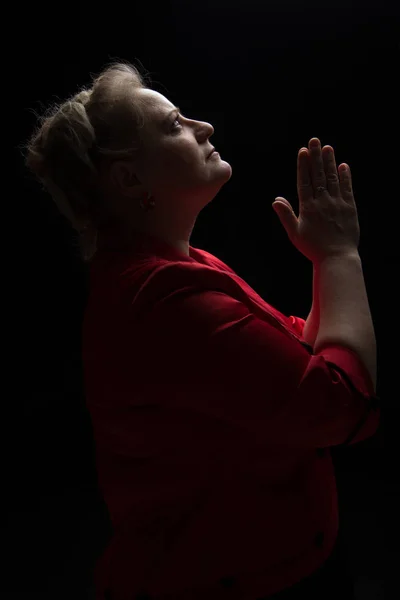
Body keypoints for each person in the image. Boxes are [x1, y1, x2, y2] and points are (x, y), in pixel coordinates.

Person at [25, 62, 380, 600]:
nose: (203, 127)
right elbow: (343, 406)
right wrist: (339, 255)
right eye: (173, 125)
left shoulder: (176, 268)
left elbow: (304, 348)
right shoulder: (163, 304)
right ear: (128, 179)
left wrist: (326, 263)